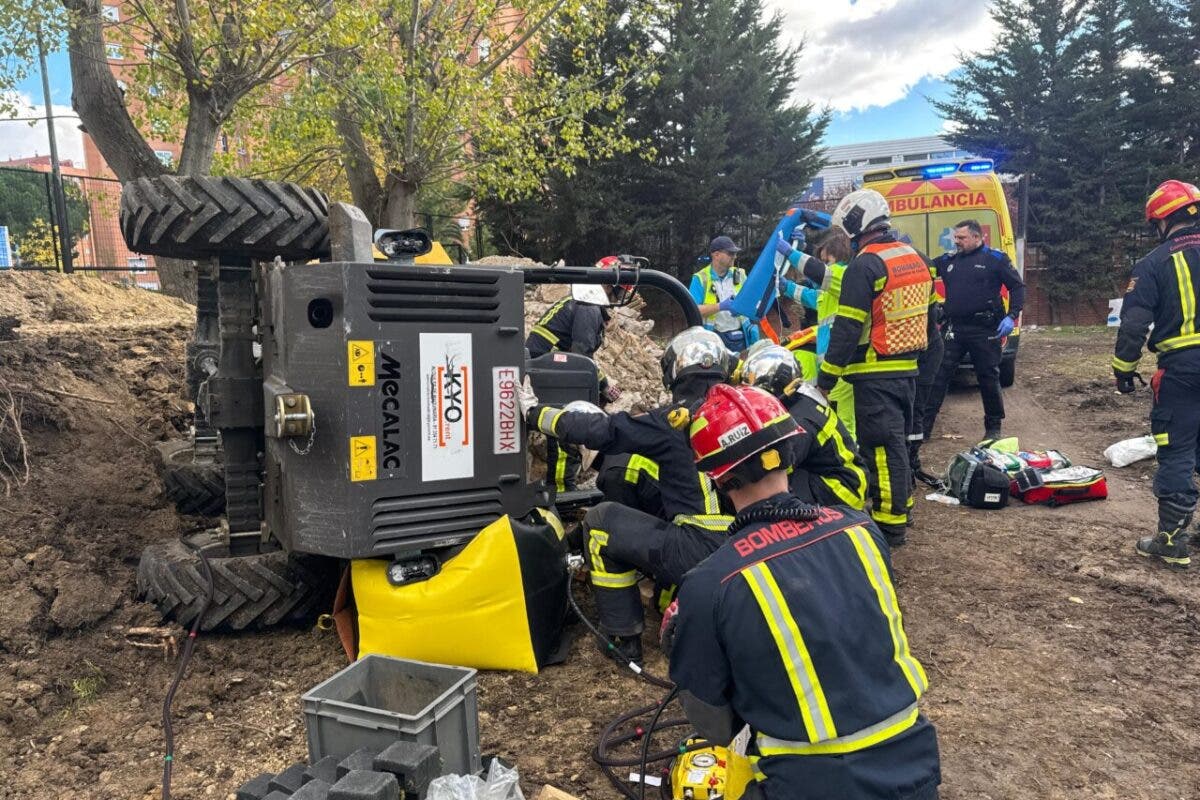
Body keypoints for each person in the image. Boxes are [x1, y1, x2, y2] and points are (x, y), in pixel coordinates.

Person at [666, 383, 941, 800]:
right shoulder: (861, 529)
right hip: (915, 768)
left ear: (718, 480)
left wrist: (686, 636)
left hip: (814, 785)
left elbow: (714, 725)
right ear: (791, 451)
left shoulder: (711, 584)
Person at [519, 327, 737, 665]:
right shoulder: (746, 410)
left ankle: (624, 639)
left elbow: (603, 430)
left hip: (697, 545)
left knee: (601, 522)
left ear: (675, 371)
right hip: (748, 541)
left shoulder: (674, 419)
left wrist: (535, 414)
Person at [779, 189, 932, 547]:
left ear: (856, 222)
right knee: (894, 445)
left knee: (879, 447)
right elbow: (930, 314)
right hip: (907, 367)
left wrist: (825, 380)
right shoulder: (912, 257)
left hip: (873, 371)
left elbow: (848, 328)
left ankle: (889, 526)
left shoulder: (867, 264)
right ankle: (901, 509)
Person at [1113, 179, 1200, 568]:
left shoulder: (1153, 263)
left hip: (1183, 368)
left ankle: (1171, 539)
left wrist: (1123, 370)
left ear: (1162, 222)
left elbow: (1133, 326)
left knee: (1178, 448)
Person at [525, 257, 629, 492]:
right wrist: (603, 383)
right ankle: (563, 492)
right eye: (621, 290)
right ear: (609, 285)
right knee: (570, 433)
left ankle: (560, 487)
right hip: (551, 374)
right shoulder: (588, 307)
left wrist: (602, 381)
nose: (620, 297)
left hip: (548, 369)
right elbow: (581, 359)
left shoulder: (582, 302)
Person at [921, 220, 1024, 441]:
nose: (956, 242)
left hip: (984, 329)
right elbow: (923, 267)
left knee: (988, 377)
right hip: (954, 328)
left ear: (978, 238)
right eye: (955, 238)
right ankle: (924, 426)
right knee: (939, 376)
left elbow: (1017, 286)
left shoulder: (995, 260)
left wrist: (1012, 316)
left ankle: (993, 427)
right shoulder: (950, 260)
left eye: (961, 238)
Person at [738, 343, 868, 510]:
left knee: (775, 481)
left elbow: (783, 462)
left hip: (844, 488)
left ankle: (798, 528)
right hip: (835, 477)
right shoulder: (798, 397)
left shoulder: (800, 419)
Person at [690, 236, 758, 351]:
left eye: (735, 253)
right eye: (730, 253)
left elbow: (753, 302)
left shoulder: (740, 275)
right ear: (716, 255)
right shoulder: (701, 279)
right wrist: (720, 306)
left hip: (741, 338)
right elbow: (693, 310)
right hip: (712, 340)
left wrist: (743, 308)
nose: (735, 256)